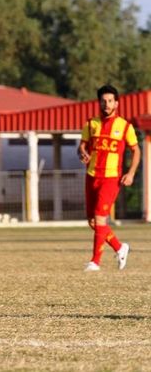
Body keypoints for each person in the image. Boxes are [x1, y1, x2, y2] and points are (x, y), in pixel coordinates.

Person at [78, 84, 140, 272]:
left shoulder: (125, 126)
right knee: (93, 223)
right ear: (99, 103)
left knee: (100, 219)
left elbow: (136, 150)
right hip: (91, 176)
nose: (107, 104)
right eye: (103, 101)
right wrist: (82, 153)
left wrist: (130, 173)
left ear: (116, 103)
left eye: (110, 101)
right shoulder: (91, 124)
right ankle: (121, 248)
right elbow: (82, 146)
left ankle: (95, 262)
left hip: (111, 178)